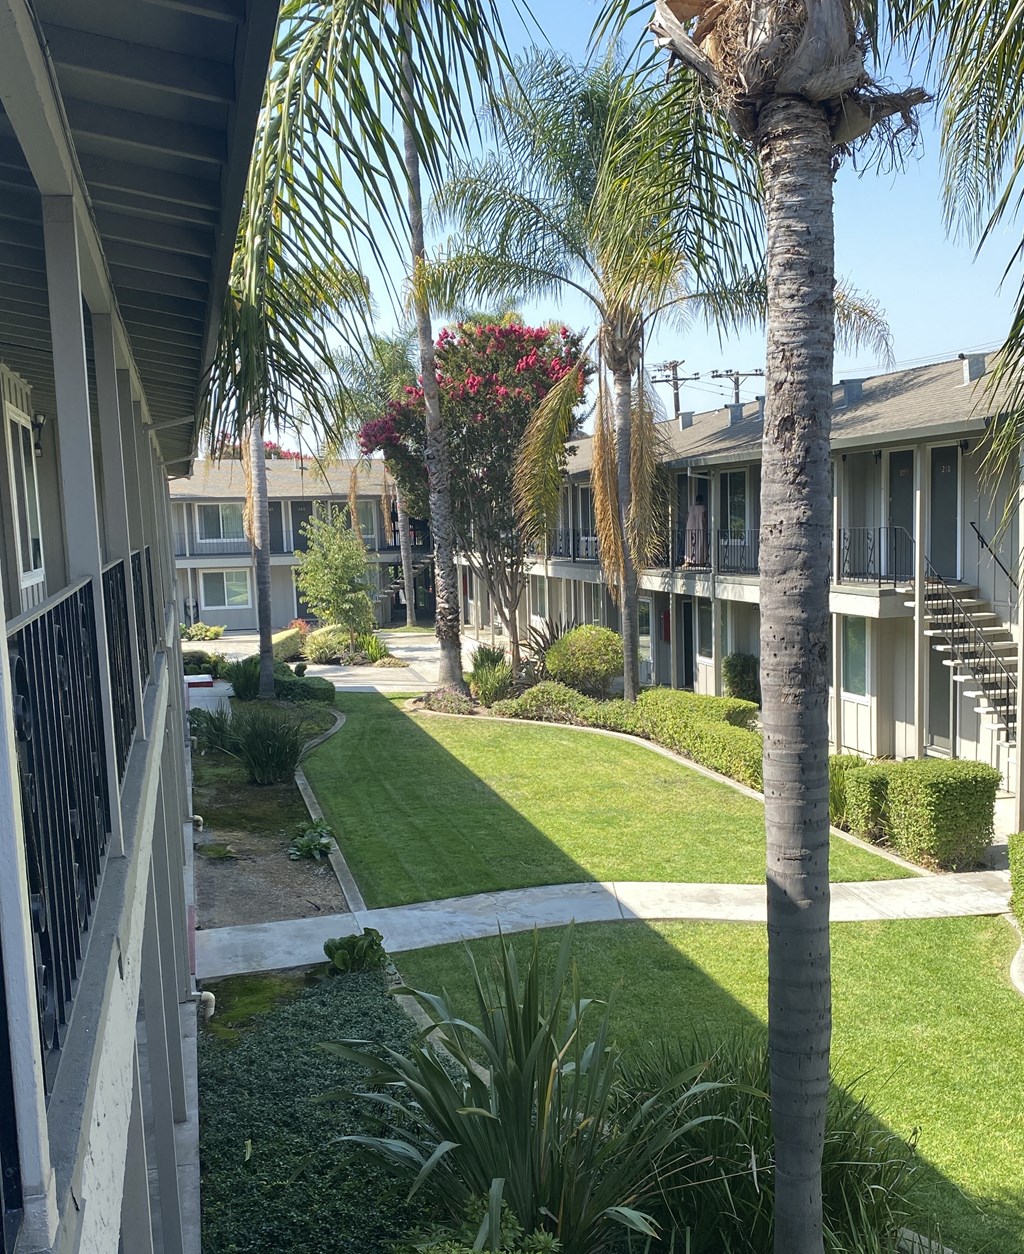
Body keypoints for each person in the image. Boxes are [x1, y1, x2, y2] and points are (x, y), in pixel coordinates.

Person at [685, 493, 707, 566]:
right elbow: (704, 517)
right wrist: (705, 525)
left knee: (690, 544)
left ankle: (689, 560)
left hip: (690, 527)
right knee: (699, 544)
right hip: (699, 527)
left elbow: (687, 517)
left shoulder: (691, 508)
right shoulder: (702, 508)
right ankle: (699, 561)